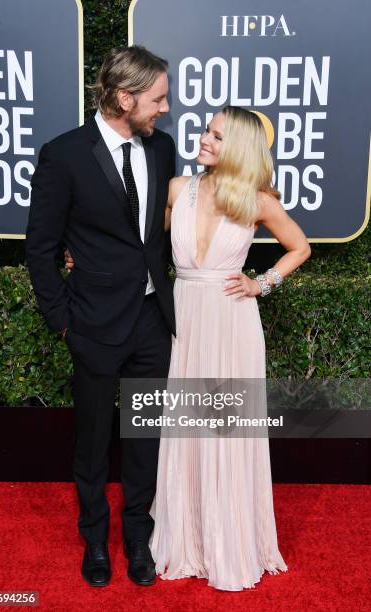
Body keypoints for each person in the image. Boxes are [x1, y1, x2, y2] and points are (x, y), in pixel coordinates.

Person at [26, 46, 176, 588]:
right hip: (91, 323)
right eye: (157, 98)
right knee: (92, 439)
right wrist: (63, 319)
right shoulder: (64, 155)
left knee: (144, 436)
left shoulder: (163, 151)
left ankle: (138, 534)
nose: (164, 108)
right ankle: (95, 537)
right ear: (123, 96)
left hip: (152, 320)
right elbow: (40, 248)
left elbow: (156, 236)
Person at [148, 106, 311, 591]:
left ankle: (230, 541)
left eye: (217, 136)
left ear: (237, 147)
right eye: (206, 130)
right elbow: (139, 243)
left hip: (232, 323)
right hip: (185, 319)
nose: (204, 139)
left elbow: (299, 247)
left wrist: (263, 283)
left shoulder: (257, 201)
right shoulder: (179, 188)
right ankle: (188, 536)